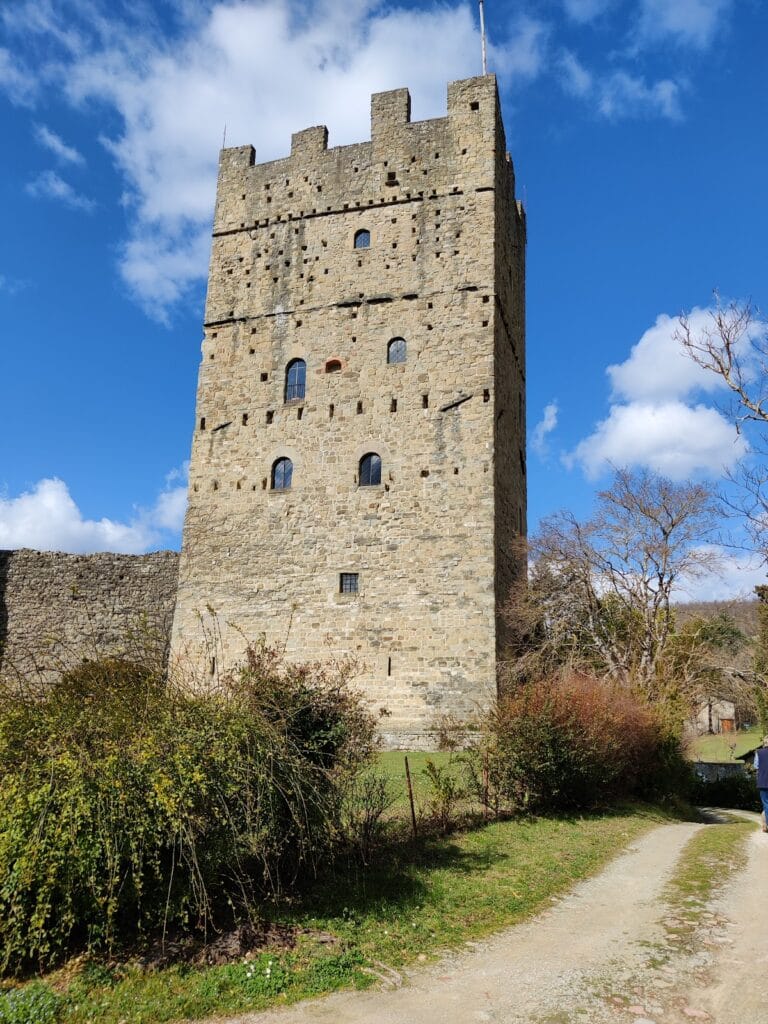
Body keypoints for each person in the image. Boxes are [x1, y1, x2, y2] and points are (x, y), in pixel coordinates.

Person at [754, 735, 768, 833]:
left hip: (763, 782)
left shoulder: (758, 753)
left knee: (766, 804)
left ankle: (766, 825)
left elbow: (756, 766)